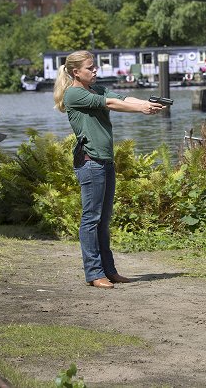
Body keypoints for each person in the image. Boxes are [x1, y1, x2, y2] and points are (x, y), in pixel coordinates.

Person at [53, 50, 165, 289]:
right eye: (90, 68)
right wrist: (141, 108)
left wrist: (147, 103)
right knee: (91, 219)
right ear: (76, 72)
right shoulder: (74, 94)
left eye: (94, 67)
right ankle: (94, 273)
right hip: (90, 161)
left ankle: (109, 271)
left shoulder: (97, 89)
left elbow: (123, 98)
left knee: (103, 221)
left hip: (105, 161)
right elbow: (112, 104)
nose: (95, 71)